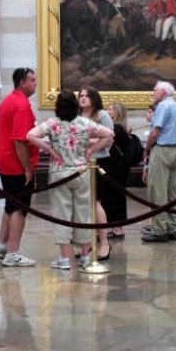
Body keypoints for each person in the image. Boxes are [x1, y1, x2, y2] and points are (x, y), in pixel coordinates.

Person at [26, 91, 113, 269]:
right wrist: (91, 149)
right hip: (81, 171)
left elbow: (30, 135)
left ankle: (64, 258)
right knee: (84, 213)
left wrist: (49, 150)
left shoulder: (52, 123)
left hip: (59, 171)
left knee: (62, 214)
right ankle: (84, 256)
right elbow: (109, 134)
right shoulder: (84, 122)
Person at [0, 67, 38, 267]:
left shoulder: (8, 100)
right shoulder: (21, 105)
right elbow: (20, 141)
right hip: (15, 163)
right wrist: (27, 168)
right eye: (33, 80)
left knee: (11, 205)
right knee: (20, 208)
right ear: (22, 83)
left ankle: (1, 245)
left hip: (4, 159)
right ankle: (13, 253)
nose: (35, 83)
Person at [141, 81, 176, 243]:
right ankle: (171, 227)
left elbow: (155, 132)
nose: (153, 92)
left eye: (155, 89)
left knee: (157, 190)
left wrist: (147, 149)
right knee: (171, 192)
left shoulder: (162, 107)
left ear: (164, 91)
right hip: (175, 151)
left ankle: (159, 230)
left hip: (161, 150)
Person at [78, 86, 114, 259]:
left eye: (86, 95)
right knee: (84, 204)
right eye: (81, 95)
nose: (83, 98)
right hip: (81, 163)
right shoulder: (77, 117)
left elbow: (108, 140)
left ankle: (104, 243)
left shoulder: (102, 115)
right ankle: (88, 242)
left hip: (99, 161)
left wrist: (88, 143)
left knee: (96, 202)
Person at [104, 101, 141, 239]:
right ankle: (117, 226)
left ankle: (116, 227)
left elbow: (107, 144)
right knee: (117, 195)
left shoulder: (116, 128)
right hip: (121, 167)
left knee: (112, 196)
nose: (107, 112)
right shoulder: (123, 128)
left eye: (110, 109)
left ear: (117, 113)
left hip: (114, 166)